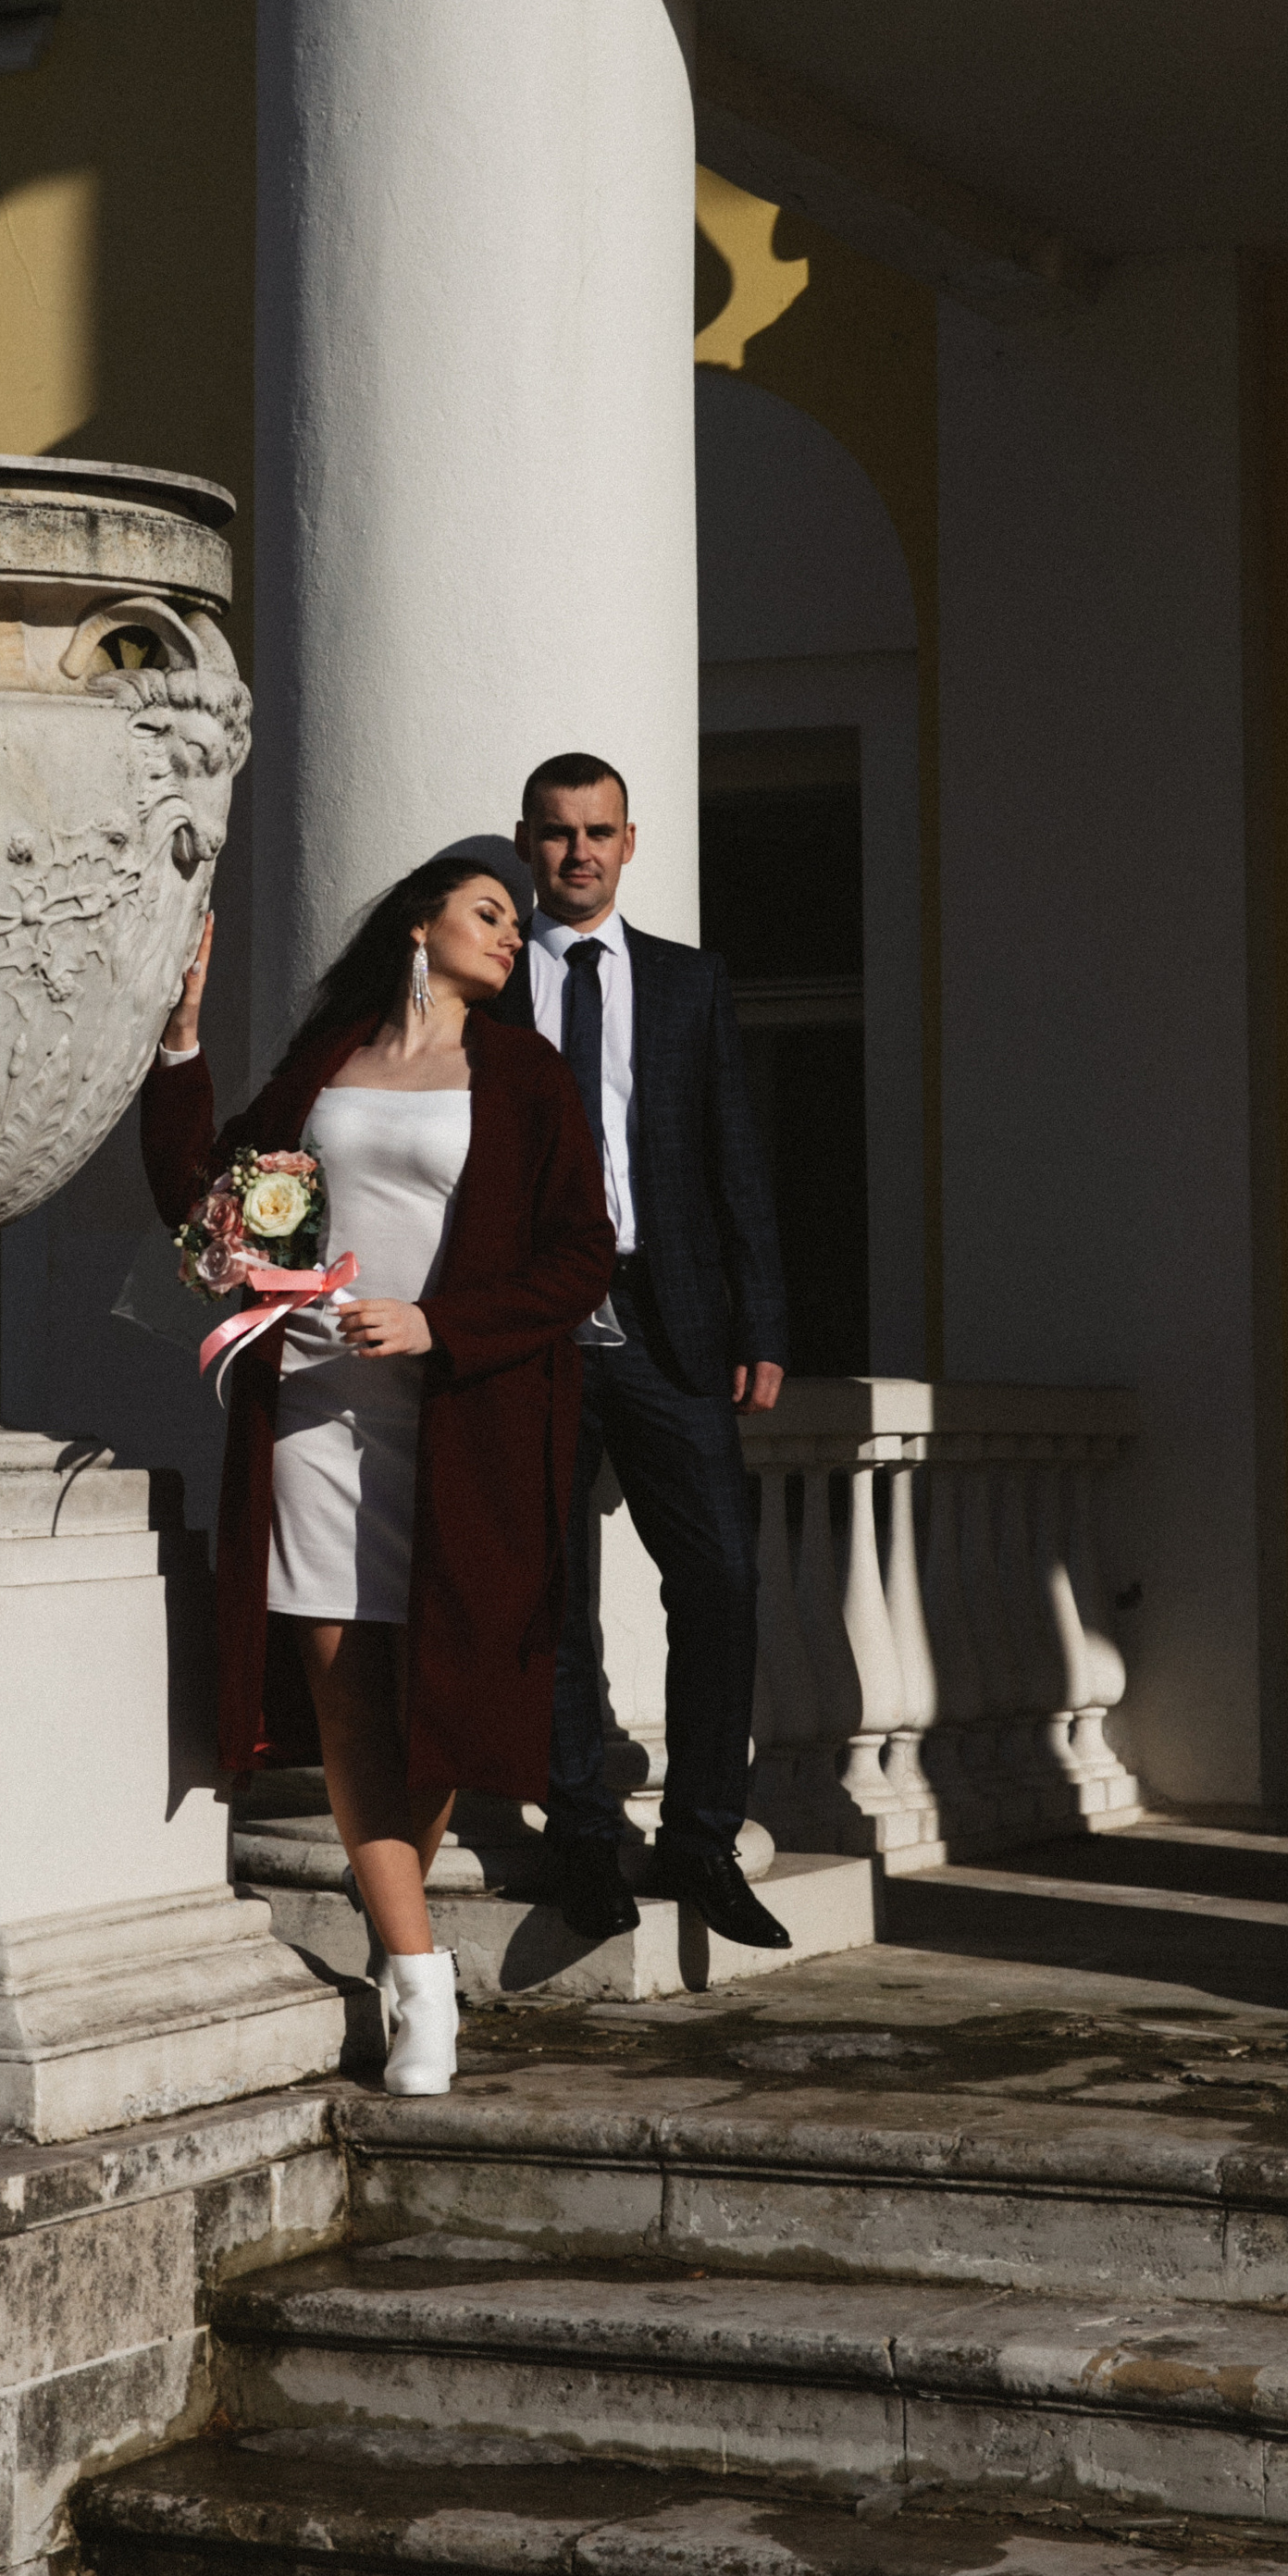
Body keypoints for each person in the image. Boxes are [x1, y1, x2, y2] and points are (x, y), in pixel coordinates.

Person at [142, 848, 614, 2096]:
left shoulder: (524, 1073)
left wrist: (435, 1323)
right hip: (312, 1409)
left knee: (441, 1697)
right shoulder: (328, 1058)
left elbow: (581, 1260)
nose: (510, 933)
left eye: (516, 922)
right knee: (347, 1692)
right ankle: (418, 1976)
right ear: (419, 922)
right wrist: (180, 1049)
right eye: (488, 911)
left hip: (466, 1424)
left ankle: (403, 1949)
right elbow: (207, 1209)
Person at [495, 750, 792, 1950]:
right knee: (550, 1589)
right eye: (557, 832)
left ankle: (703, 1837)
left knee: (720, 1574)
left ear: (630, 842)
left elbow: (734, 1152)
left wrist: (761, 1321)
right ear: (529, 842)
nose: (579, 852)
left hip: (668, 1322)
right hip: (531, 1326)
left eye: (599, 831)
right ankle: (580, 1837)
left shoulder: (686, 981)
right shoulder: (484, 983)